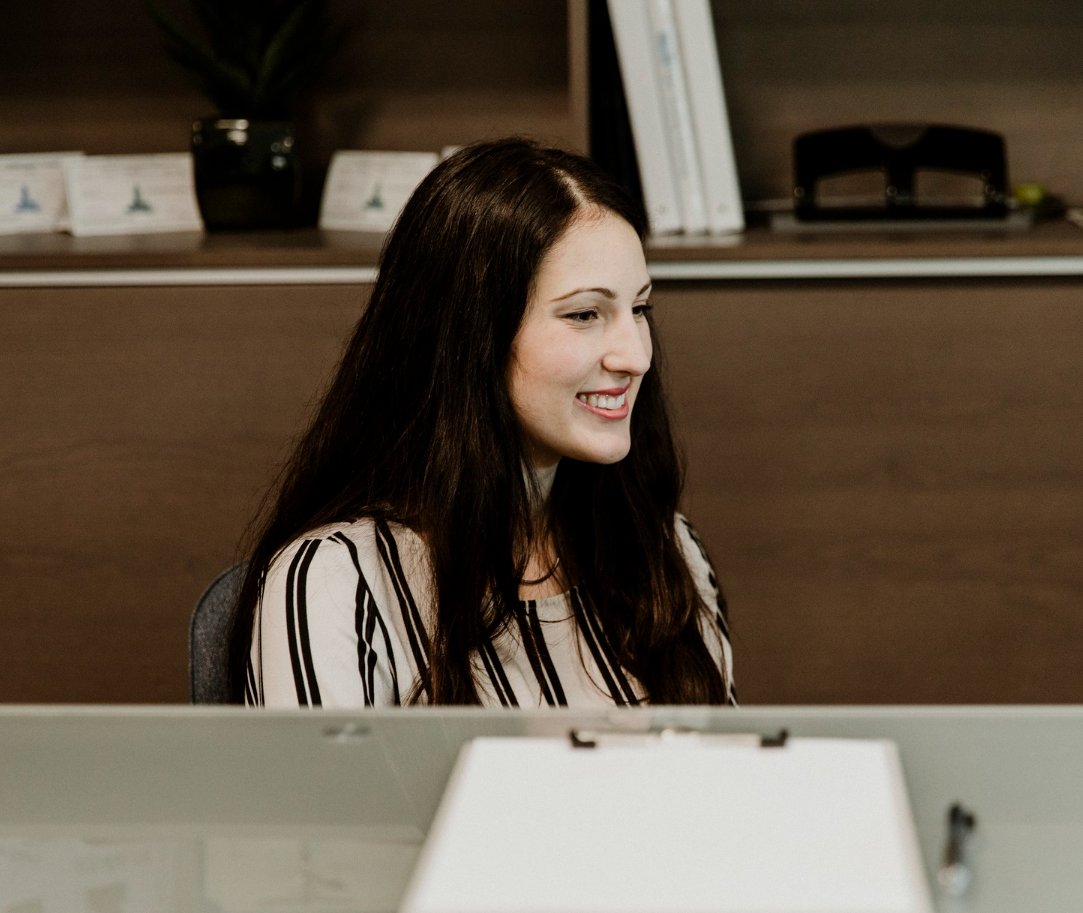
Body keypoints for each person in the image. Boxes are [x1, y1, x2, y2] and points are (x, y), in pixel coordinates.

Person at [228, 138, 732, 708]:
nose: (635, 356)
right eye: (585, 314)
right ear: (471, 338)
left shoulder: (665, 546)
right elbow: (326, 800)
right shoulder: (334, 582)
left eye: (638, 309)